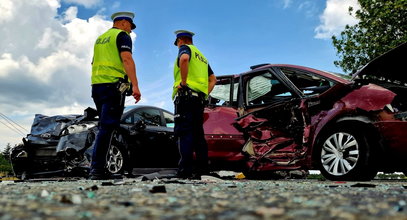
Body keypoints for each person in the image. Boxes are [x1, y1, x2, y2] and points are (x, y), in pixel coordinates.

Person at [89, 11, 141, 180]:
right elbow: (127, 59)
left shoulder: (100, 39)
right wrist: (135, 85)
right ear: (124, 22)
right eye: (130, 27)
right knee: (108, 128)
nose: (130, 31)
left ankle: (98, 167)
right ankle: (97, 170)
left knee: (104, 127)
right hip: (113, 87)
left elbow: (93, 62)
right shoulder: (122, 36)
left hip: (97, 87)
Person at [172, 30, 217, 179]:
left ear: (180, 41)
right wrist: (204, 94)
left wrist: (183, 83)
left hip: (185, 97)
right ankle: (203, 170)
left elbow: (184, 59)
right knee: (199, 135)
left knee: (184, 132)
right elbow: (213, 79)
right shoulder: (202, 58)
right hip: (198, 100)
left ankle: (185, 171)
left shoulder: (185, 49)